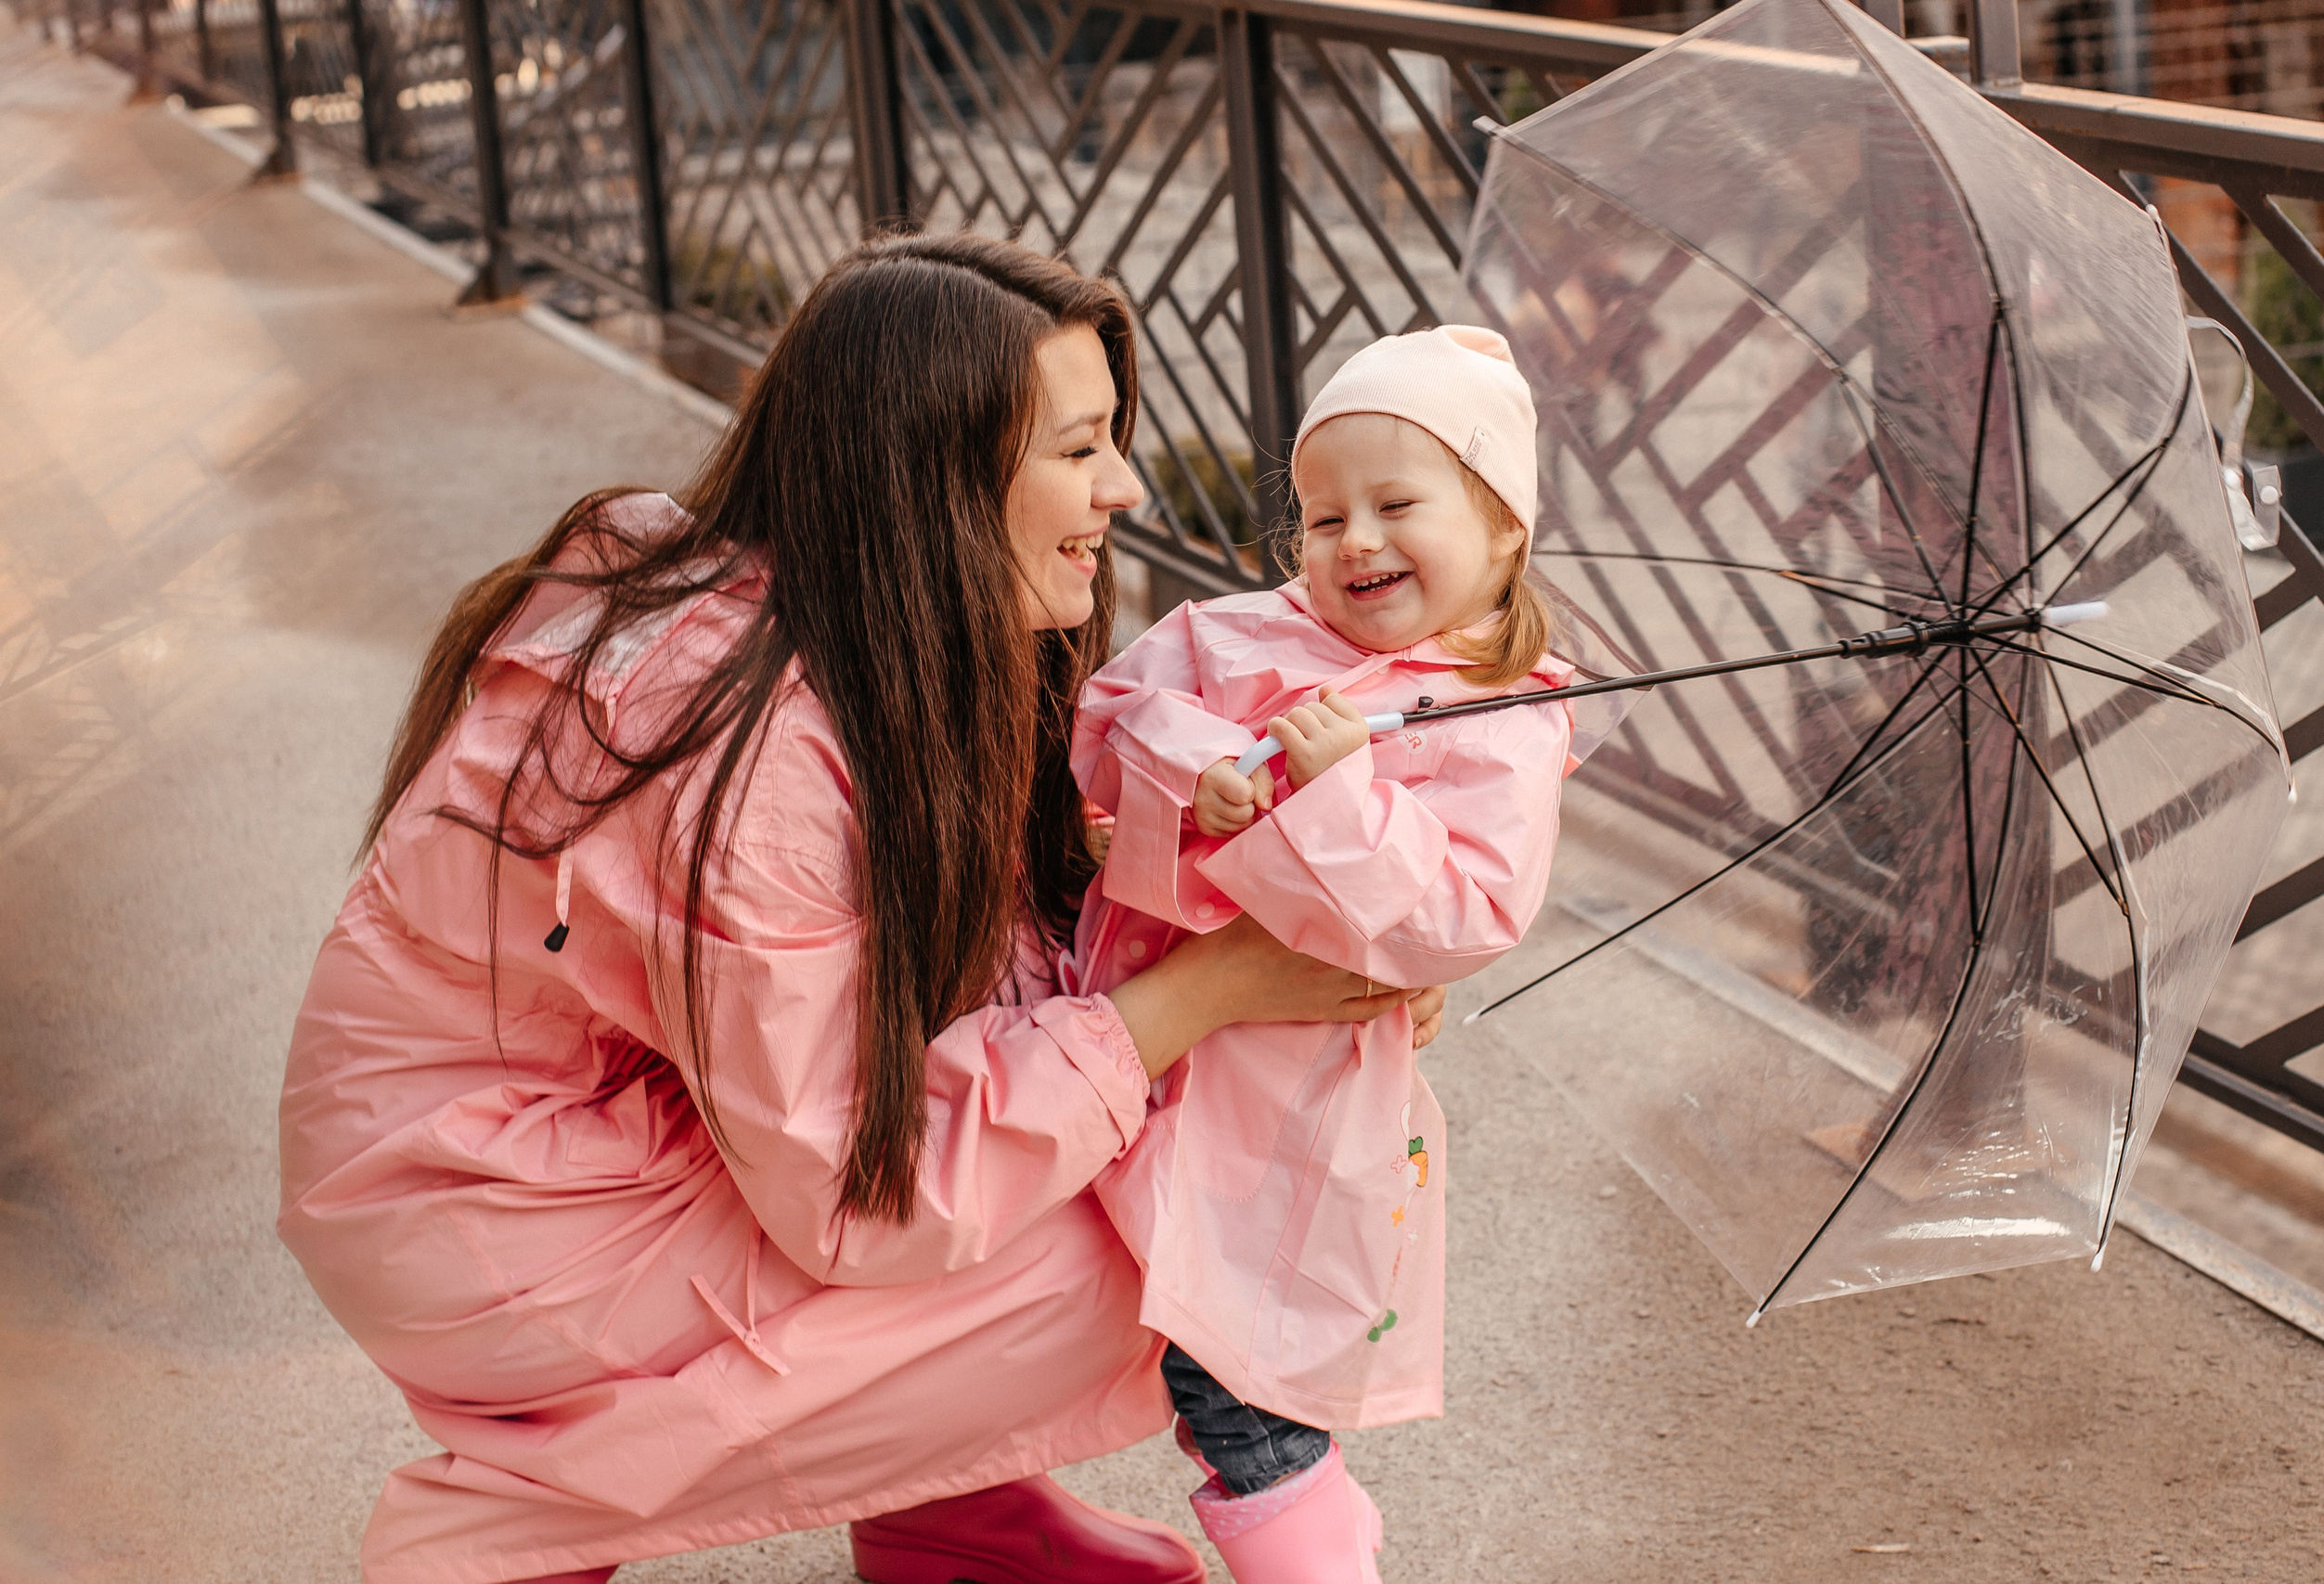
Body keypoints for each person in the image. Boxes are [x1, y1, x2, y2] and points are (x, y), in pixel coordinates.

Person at [276, 234, 1447, 1584]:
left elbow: (937, 942)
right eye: (1078, 449)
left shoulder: (788, 604)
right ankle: (526, 1522)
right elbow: (858, 1203)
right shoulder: (754, 766)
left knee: (1116, 1113)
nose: (1121, 486)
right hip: (493, 1221)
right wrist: (1212, 989)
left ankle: (957, 1518)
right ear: (932, 473)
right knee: (1166, 1233)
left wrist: (1260, 909)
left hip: (518, 1138)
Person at [1070, 328, 1612, 1580]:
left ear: (1502, 532)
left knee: (1240, 1375)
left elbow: (1461, 913)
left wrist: (1332, 801)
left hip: (1292, 1099)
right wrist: (1190, 772)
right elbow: (1106, 723)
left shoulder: (1505, 714)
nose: (1353, 540)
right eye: (1321, 518)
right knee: (1101, 1312)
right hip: (1133, 1032)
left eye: (1395, 505)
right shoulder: (1235, 633)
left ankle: (1312, 1550)